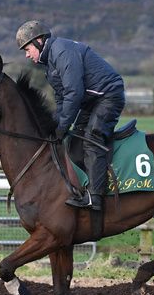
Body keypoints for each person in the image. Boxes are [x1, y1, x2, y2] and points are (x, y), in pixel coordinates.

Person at [16, 20, 125, 211]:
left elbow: (73, 93)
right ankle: (83, 187)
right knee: (75, 140)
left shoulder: (61, 52)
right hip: (92, 100)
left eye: (27, 49)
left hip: (108, 95)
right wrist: (57, 126)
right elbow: (62, 99)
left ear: (39, 41)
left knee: (92, 139)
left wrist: (61, 127)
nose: (27, 55)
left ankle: (96, 197)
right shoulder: (50, 63)